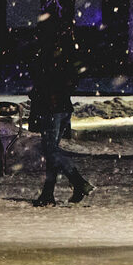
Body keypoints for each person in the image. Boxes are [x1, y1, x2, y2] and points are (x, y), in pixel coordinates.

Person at [29, 19, 93, 206]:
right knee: (52, 151)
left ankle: (78, 182)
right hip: (62, 106)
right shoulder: (65, 54)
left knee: (51, 151)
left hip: (51, 107)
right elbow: (70, 79)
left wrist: (44, 96)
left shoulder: (46, 55)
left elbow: (44, 80)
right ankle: (49, 193)